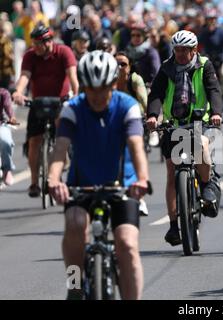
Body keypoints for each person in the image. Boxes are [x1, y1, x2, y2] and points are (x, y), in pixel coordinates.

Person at [47, 50, 149, 300]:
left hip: (122, 186)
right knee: (74, 225)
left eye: (102, 88)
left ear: (113, 83)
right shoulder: (73, 108)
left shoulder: (128, 107)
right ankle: (74, 285)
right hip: (82, 186)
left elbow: (136, 146)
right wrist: (53, 179)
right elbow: (60, 149)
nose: (96, 95)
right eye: (90, 89)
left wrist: (142, 179)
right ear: (83, 86)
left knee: (127, 245)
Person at [146, 30, 223, 246]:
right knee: (172, 172)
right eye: (177, 50)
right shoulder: (166, 67)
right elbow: (156, 94)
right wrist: (152, 116)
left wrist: (216, 113)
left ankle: (207, 185)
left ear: (194, 50)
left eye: (185, 50)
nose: (180, 54)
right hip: (174, 124)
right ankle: (173, 226)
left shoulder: (205, 65)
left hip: (199, 122)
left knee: (202, 144)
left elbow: (213, 89)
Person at [11, 25, 78, 197]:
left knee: (61, 137)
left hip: (59, 102)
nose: (34, 48)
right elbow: (24, 76)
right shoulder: (30, 56)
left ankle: (55, 175)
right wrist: (18, 92)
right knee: (34, 141)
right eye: (33, 44)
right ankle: (34, 183)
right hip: (38, 104)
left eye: (37, 44)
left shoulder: (64, 52)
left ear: (47, 42)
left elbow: (73, 77)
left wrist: (77, 96)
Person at [125, 22, 161, 89]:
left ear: (144, 37)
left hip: (146, 88)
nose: (135, 37)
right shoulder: (127, 50)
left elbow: (156, 73)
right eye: (133, 35)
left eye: (138, 35)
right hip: (130, 87)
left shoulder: (151, 52)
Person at [0, 88, 18, 187]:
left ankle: (7, 169)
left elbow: (8, 106)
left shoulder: (3, 93)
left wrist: (12, 117)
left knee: (5, 140)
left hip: (1, 125)